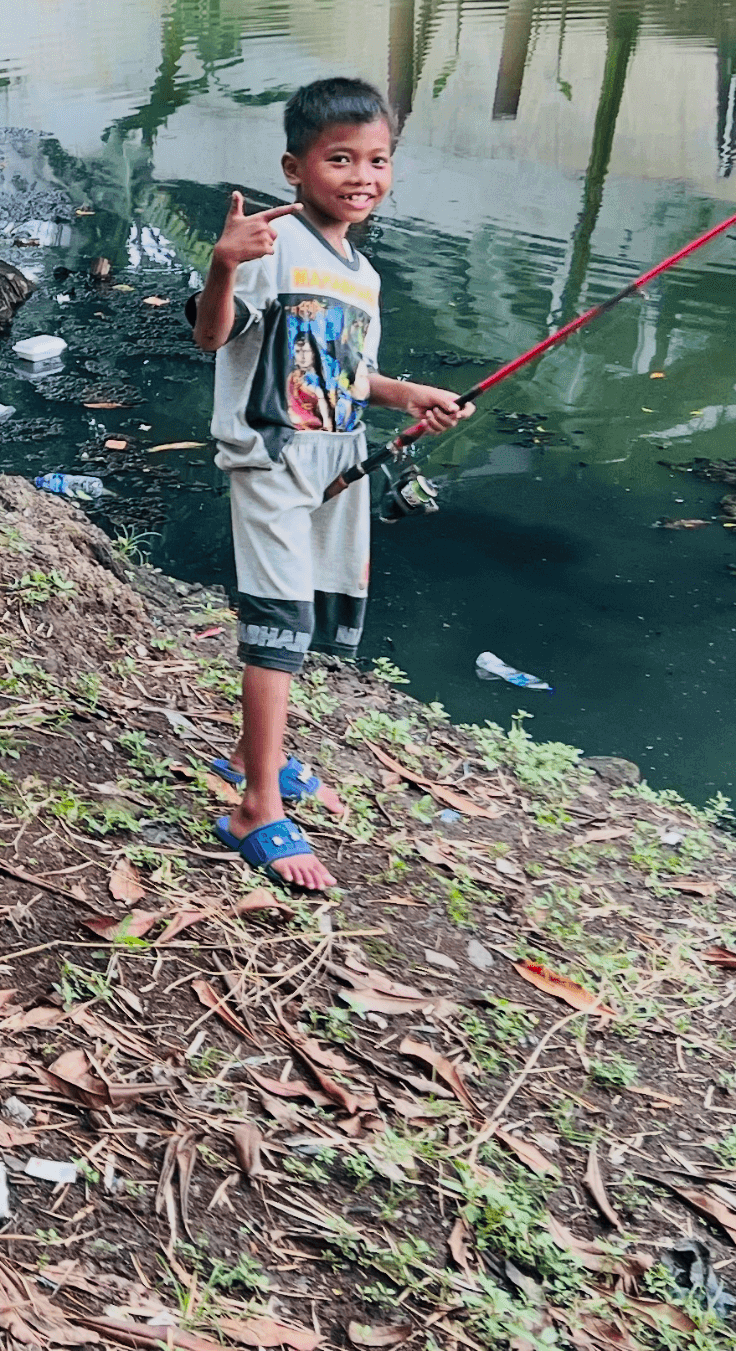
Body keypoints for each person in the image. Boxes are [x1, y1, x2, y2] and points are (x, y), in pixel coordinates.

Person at [188, 76, 465, 892]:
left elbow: (348, 369)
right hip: (273, 458)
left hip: (338, 462)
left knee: (314, 617)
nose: (362, 176)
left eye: (377, 160)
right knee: (278, 624)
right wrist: (221, 262)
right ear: (294, 167)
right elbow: (212, 337)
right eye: (340, 158)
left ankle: (251, 751)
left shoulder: (362, 273)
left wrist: (407, 394)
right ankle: (257, 805)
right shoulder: (272, 245)